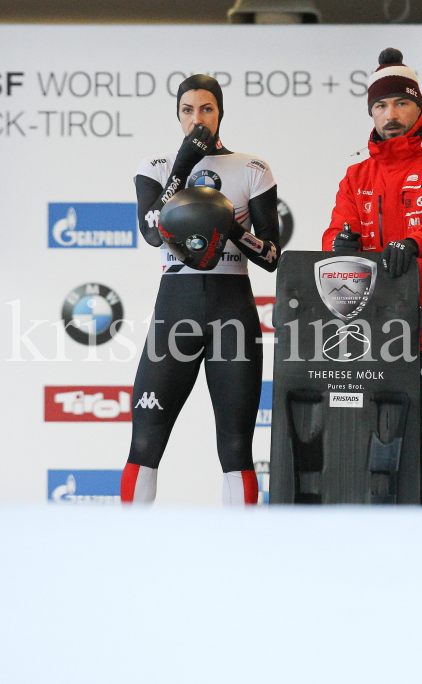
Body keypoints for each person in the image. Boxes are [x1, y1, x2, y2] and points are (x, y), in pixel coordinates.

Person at [323, 48, 422, 505]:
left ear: (419, 106)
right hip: (369, 336)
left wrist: (415, 243)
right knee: (366, 448)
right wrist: (342, 244)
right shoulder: (358, 174)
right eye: (379, 105)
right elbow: (336, 228)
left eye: (400, 103)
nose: (389, 115)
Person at [121, 74, 281, 505]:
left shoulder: (252, 169)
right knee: (145, 444)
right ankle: (124, 553)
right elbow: (152, 232)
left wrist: (231, 227)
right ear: (177, 114)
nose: (197, 119)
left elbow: (272, 258)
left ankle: (241, 558)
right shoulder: (154, 167)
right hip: (176, 310)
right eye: (188, 110)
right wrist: (182, 165)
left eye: (206, 109)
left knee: (235, 450)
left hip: (233, 313)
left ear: (220, 113)